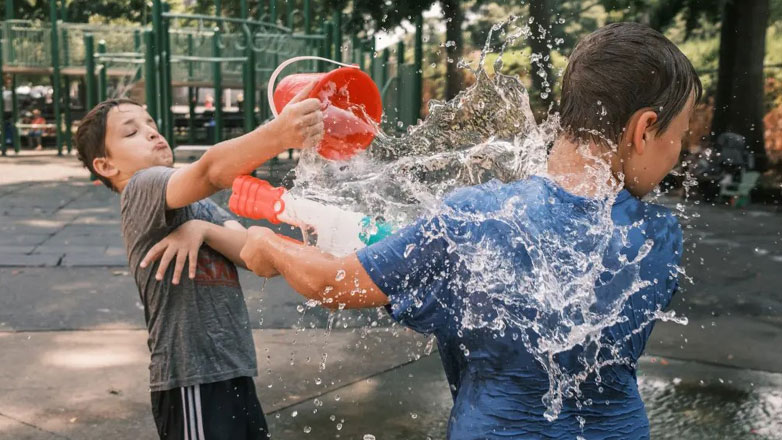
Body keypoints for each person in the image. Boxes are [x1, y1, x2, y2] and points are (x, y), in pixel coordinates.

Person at [233, 23, 701, 439]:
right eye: (681, 134)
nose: (679, 152)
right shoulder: (659, 238)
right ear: (644, 129)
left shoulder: (475, 218)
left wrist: (268, 245)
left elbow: (330, 282)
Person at [73, 84, 323, 440]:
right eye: (131, 131)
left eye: (150, 123)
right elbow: (209, 172)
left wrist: (203, 229)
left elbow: (252, 255)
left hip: (232, 368)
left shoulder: (198, 209)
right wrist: (279, 134)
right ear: (106, 165)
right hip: (191, 378)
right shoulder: (141, 188)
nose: (151, 132)